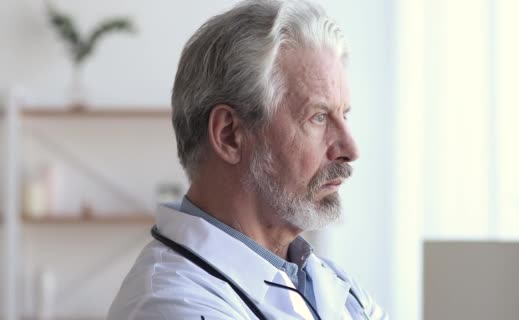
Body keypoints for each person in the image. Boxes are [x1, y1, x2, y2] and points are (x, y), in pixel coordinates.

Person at [108, 0, 387, 319]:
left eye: (344, 116)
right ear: (229, 135)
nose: (350, 148)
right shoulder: (172, 304)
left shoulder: (335, 287)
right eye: (319, 117)